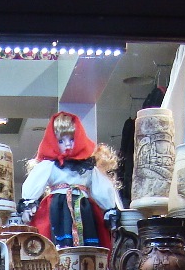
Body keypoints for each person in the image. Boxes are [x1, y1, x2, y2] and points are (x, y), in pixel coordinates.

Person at [20, 111, 121, 262]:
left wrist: (109, 209)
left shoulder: (87, 167)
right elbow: (35, 182)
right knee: (54, 238)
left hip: (84, 208)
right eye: (61, 141)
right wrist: (29, 204)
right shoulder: (49, 166)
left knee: (89, 238)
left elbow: (101, 187)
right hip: (57, 207)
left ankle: (85, 268)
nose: (67, 144)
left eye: (72, 139)